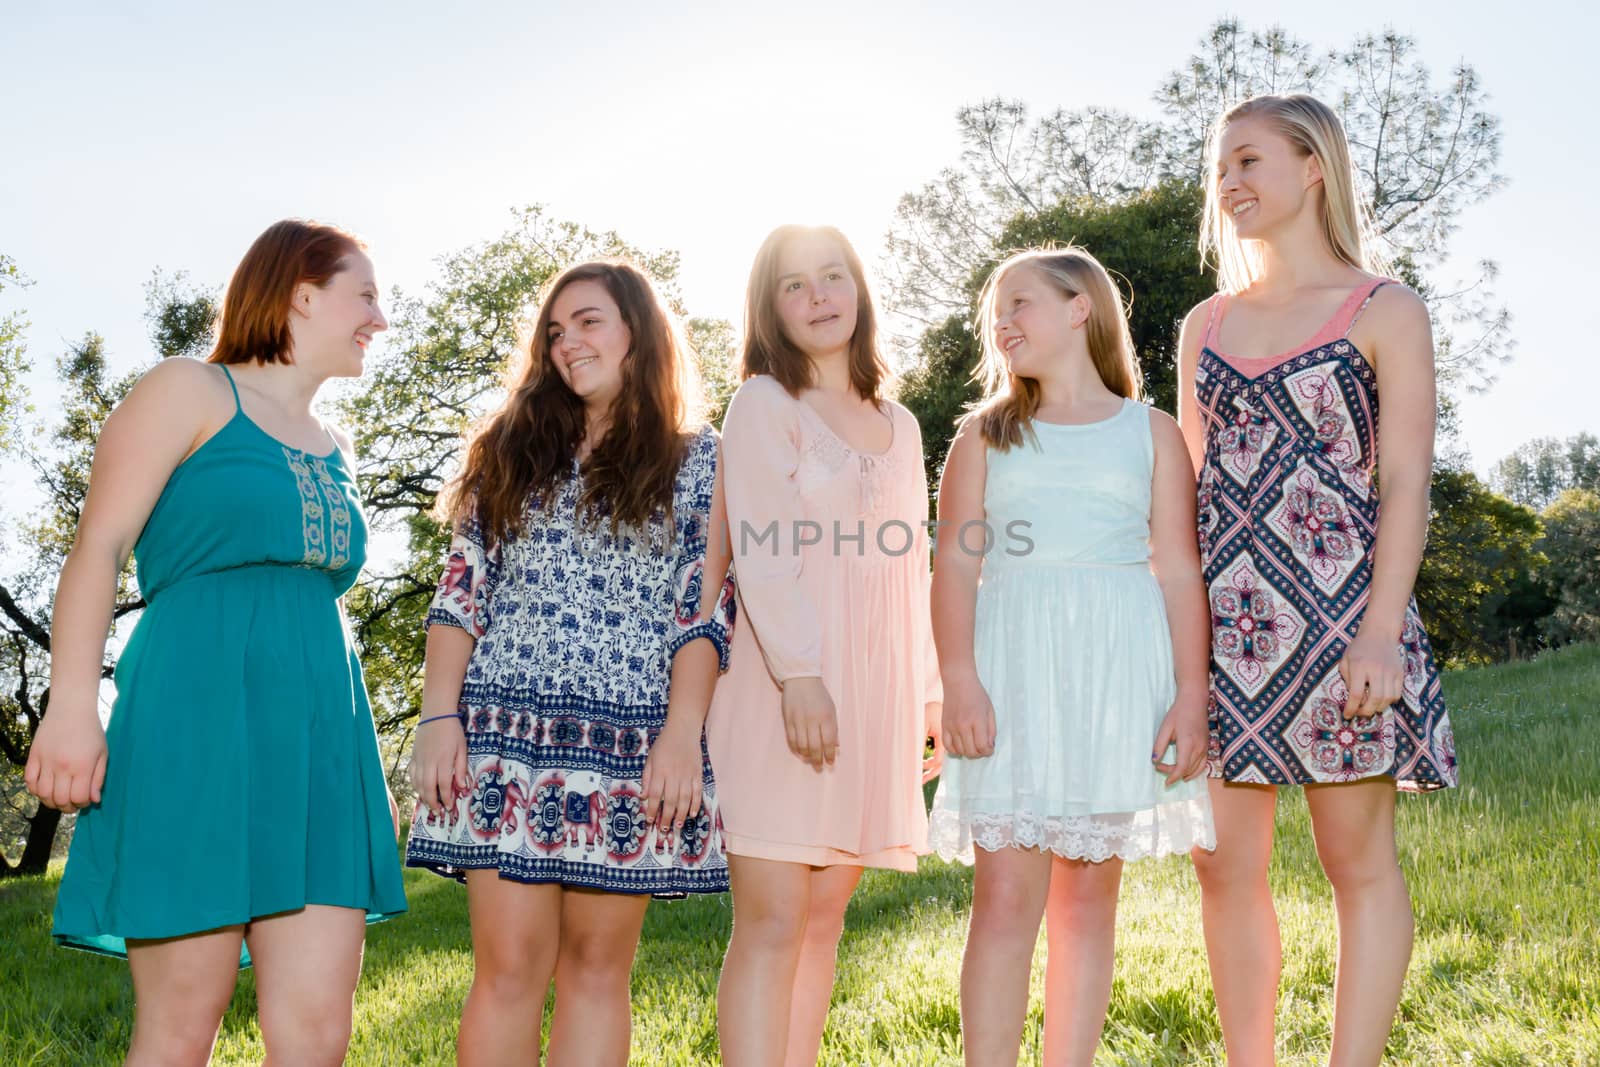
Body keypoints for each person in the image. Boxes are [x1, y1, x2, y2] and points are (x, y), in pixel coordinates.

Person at [27, 218, 407, 1066]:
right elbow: (97, 547)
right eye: (367, 295)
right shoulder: (188, 391)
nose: (379, 319)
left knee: (317, 1033)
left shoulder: (336, 448)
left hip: (319, 742)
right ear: (302, 293)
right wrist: (69, 706)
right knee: (181, 1024)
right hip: (193, 724)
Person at [1175, 93, 1459, 1067]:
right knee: (1221, 865)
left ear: (1312, 169)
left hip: (1346, 622)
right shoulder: (1202, 325)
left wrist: (1381, 627)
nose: (1231, 182)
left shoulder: (1384, 309)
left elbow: (1407, 482)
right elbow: (1186, 485)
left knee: (1356, 864)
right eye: (1221, 169)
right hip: (1228, 631)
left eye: (1249, 160)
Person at [405, 259, 735, 1067]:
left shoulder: (702, 460)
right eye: (555, 331)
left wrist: (682, 733)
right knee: (508, 969)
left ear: (638, 333)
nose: (567, 343)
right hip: (502, 734)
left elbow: (702, 606)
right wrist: (438, 715)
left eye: (588, 321)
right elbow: (460, 592)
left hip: (628, 744)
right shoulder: (509, 452)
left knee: (596, 971)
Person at [929, 246, 1215, 1066]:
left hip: (1113, 680)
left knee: (1087, 903)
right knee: (1005, 902)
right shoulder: (984, 439)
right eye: (997, 312)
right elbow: (953, 565)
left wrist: (1189, 694)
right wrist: (958, 680)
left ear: (1080, 307)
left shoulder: (1151, 432)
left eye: (1019, 303)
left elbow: (1178, 568)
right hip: (1013, 674)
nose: (1003, 321)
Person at [709, 224, 943, 1067]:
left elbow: (910, 561)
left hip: (871, 689)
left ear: (859, 289)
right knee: (772, 920)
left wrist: (927, 692)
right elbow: (762, 552)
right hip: (785, 685)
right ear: (770, 308)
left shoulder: (902, 422)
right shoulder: (765, 405)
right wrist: (801, 675)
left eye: (833, 277)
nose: (819, 297)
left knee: (825, 917)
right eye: (796, 285)